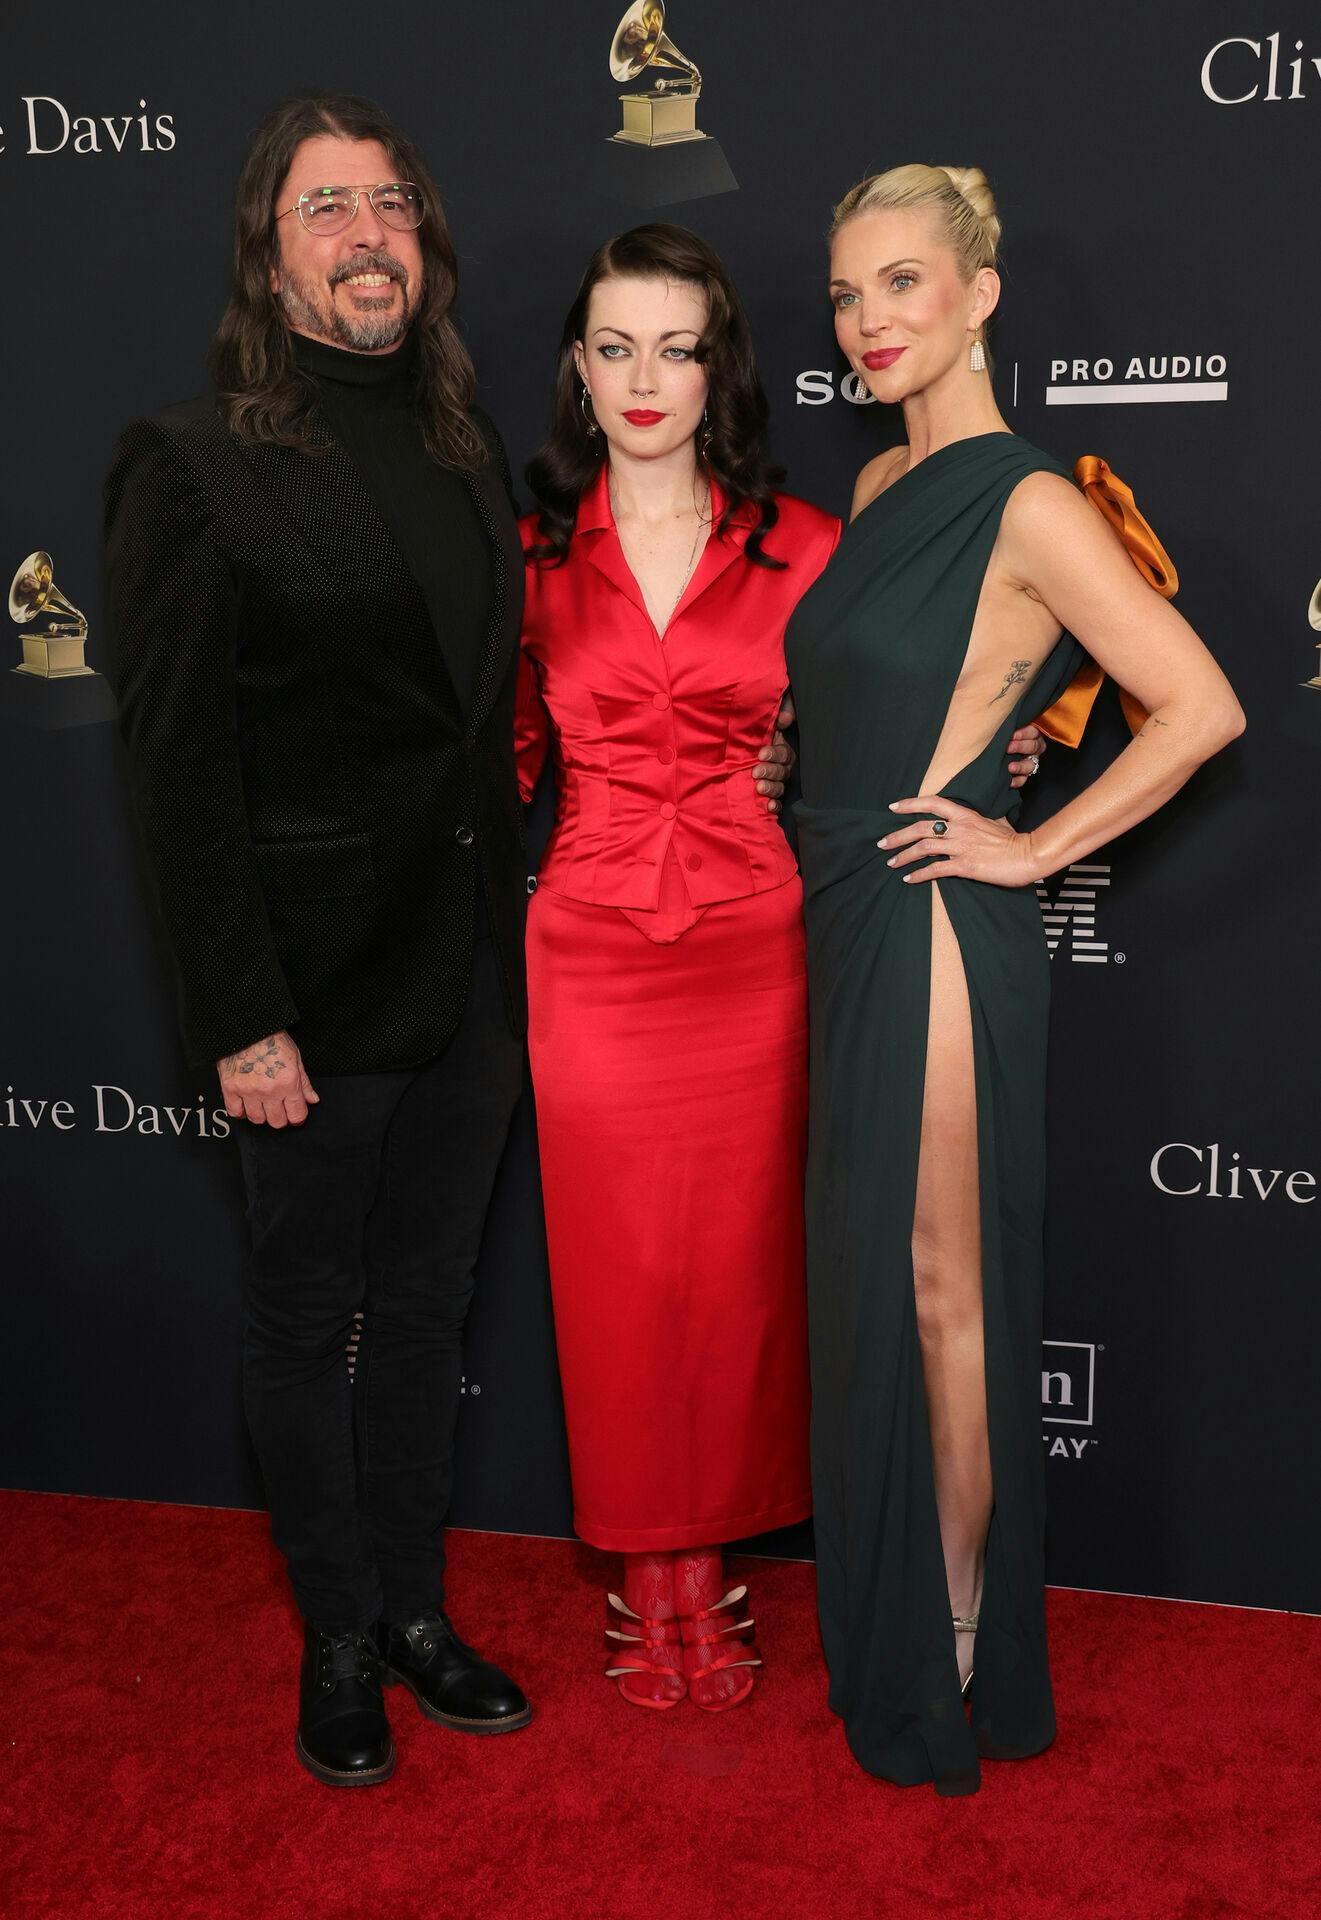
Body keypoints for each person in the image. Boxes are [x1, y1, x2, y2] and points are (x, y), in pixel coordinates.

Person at [514, 224, 1049, 1711]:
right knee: (617, 1278)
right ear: (576, 370)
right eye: (613, 347)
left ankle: (721, 1559)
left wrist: (993, 756)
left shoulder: (808, 545)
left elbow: (904, 693)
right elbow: (498, 760)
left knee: (749, 1274)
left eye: (676, 348)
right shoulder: (529, 560)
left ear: (718, 371)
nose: (644, 379)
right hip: (589, 953)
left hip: (760, 948)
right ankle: (654, 1577)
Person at [785, 164, 1244, 1794]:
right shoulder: (871, 485)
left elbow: (1199, 707)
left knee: (941, 1293)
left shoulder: (1032, 501)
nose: (868, 321)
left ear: (979, 295)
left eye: (901, 283)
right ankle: (903, 1618)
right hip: (844, 914)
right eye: (845, 295)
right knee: (871, 1288)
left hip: (932, 933)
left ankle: (959, 1644)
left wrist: (1033, 848)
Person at [104, 94, 535, 1788]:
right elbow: (174, 772)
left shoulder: (463, 446)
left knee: (426, 1307)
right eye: (327, 207)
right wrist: (240, 1012)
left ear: (424, 245)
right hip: (308, 986)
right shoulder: (193, 464)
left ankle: (417, 1609)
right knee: (305, 1315)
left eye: (391, 204)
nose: (368, 234)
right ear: (269, 255)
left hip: (471, 973)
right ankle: (339, 1632)